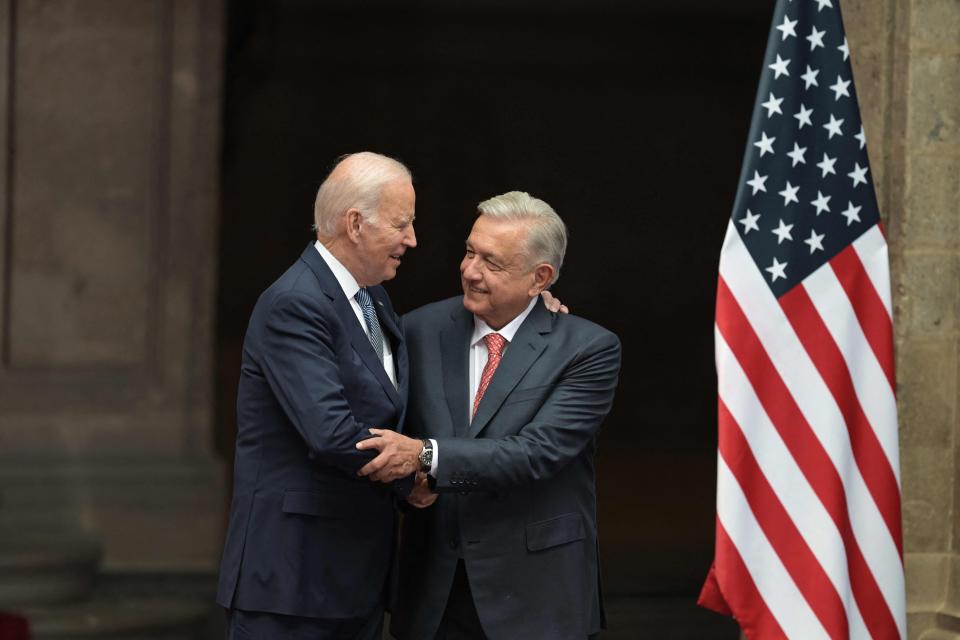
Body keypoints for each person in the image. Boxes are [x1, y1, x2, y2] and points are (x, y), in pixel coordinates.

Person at [357, 191, 622, 639]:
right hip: (434, 594)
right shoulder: (417, 330)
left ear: (541, 278)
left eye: (492, 263)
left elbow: (537, 453)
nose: (470, 271)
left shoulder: (587, 349)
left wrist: (426, 455)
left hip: (536, 594)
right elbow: (387, 431)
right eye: (469, 251)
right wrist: (408, 485)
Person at [216, 151, 426, 639]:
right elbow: (331, 433)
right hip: (293, 584)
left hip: (351, 576)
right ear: (355, 224)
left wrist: (527, 308)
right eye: (402, 224)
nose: (412, 240)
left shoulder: (371, 296)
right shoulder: (295, 302)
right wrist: (414, 473)